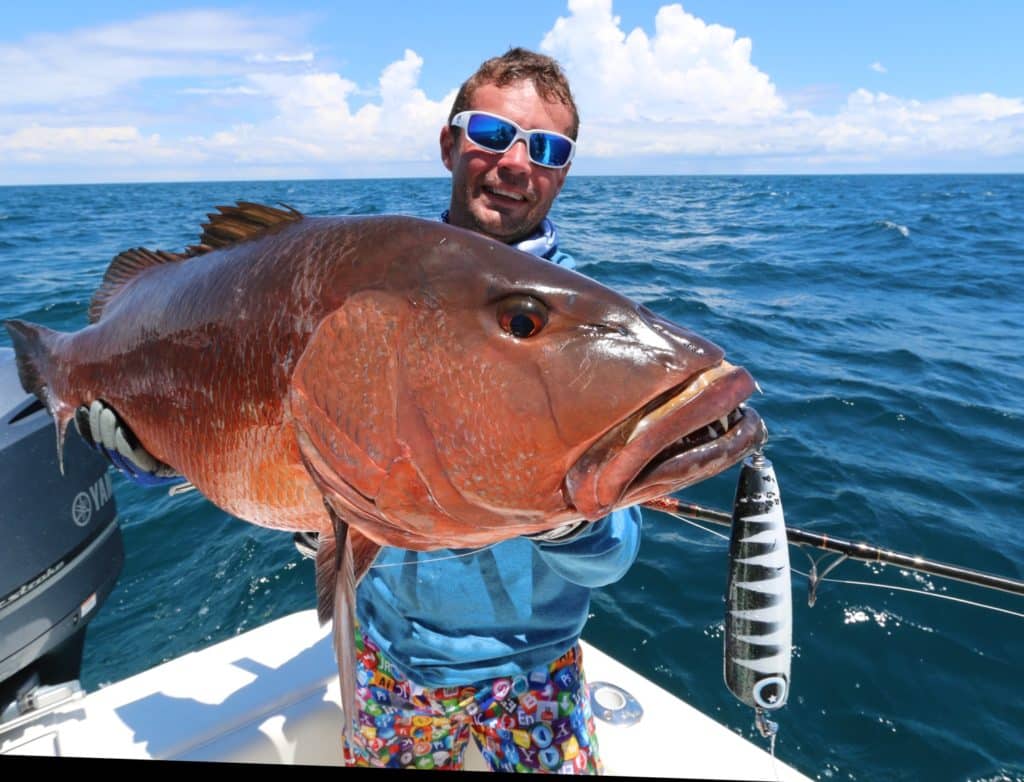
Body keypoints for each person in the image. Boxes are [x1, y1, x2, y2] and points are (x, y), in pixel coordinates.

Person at [78, 48, 642, 775]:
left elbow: (615, 555)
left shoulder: (586, 329)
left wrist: (570, 503)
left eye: (547, 147)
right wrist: (150, 453)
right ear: (449, 143)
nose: (515, 162)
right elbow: (246, 430)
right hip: (390, 662)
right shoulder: (370, 285)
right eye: (491, 133)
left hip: (540, 668)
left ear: (564, 170)